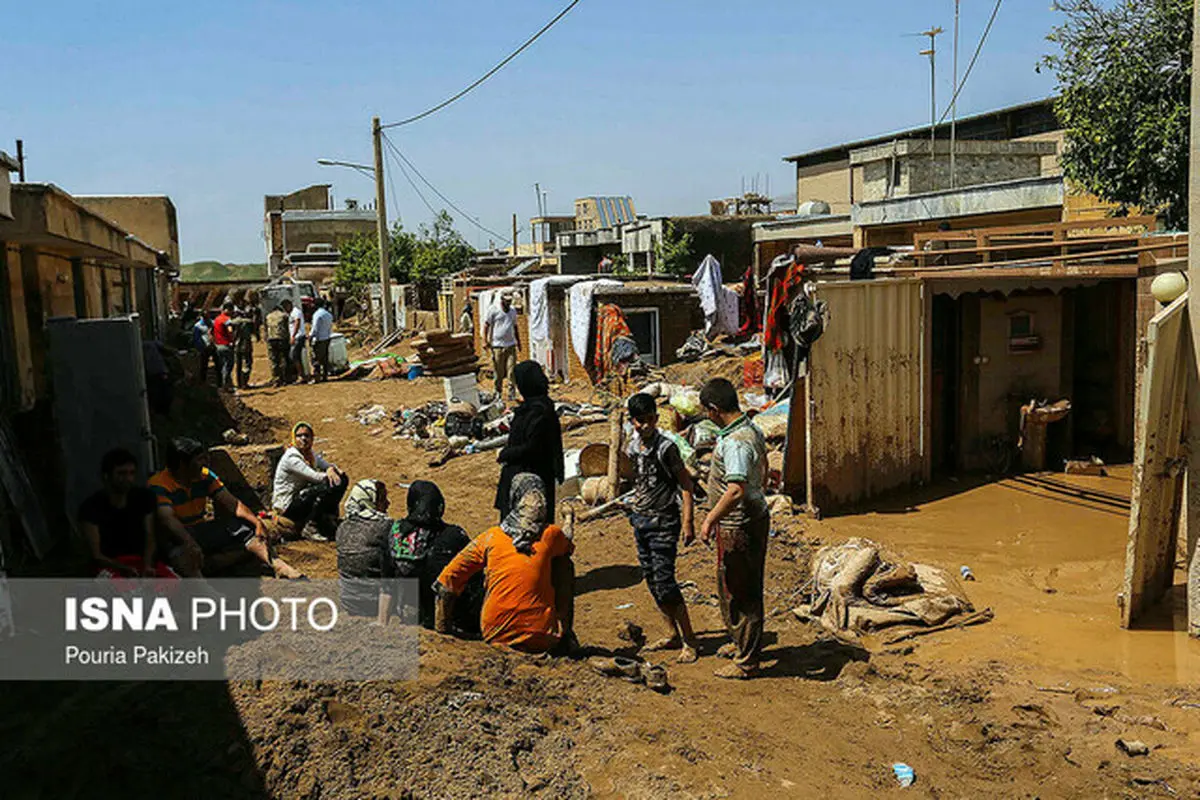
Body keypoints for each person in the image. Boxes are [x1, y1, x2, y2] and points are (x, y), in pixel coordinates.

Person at [435, 473, 577, 654]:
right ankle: (565, 636)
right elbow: (567, 540)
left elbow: (447, 582)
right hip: (542, 637)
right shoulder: (551, 535)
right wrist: (568, 518)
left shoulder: (491, 537)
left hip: (496, 634)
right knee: (564, 563)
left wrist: (443, 629)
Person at [149, 437, 303, 579]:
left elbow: (232, 503)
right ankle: (204, 588)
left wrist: (256, 522)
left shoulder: (204, 476)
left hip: (201, 530)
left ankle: (276, 565)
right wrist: (190, 543)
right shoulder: (159, 484)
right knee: (181, 552)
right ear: (183, 464)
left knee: (248, 527)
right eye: (199, 460)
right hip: (177, 536)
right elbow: (168, 520)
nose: (205, 463)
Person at [698, 378, 770, 680]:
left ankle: (747, 661)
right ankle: (740, 642)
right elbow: (764, 472)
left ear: (714, 410)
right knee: (730, 585)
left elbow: (736, 489)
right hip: (746, 519)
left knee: (742, 590)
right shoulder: (751, 429)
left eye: (706, 412)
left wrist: (710, 518)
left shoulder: (736, 442)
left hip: (740, 523)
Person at [625, 393, 700, 663]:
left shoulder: (666, 448)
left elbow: (686, 484)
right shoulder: (632, 447)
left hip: (664, 522)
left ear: (656, 419)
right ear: (631, 421)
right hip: (641, 519)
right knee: (652, 579)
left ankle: (690, 640)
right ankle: (671, 634)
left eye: (649, 420)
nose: (644, 426)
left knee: (666, 582)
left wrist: (688, 522)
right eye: (638, 421)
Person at [371, 480, 483, 633]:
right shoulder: (454, 535)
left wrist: (382, 621)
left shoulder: (395, 533)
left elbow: (387, 582)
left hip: (410, 615)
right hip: (451, 619)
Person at [78, 448, 176, 580]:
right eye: (121, 473)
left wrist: (147, 566)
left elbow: (150, 536)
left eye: (131, 473)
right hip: (112, 566)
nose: (128, 479)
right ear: (107, 476)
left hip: (141, 561)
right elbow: (97, 555)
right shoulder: (91, 507)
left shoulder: (144, 498)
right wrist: (125, 569)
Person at [496, 361, 563, 523]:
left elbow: (532, 448)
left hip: (529, 479)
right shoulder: (540, 407)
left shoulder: (537, 412)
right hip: (538, 475)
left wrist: (505, 453)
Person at [271, 422, 347, 542]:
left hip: (301, 498)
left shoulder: (310, 454)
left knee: (342, 479)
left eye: (307, 436)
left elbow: (328, 466)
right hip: (287, 504)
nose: (303, 439)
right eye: (299, 436)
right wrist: (330, 473)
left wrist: (330, 469)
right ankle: (311, 526)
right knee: (326, 484)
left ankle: (327, 518)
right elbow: (315, 477)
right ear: (294, 438)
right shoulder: (292, 458)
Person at [483, 292, 520, 401]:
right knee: (498, 372)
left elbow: (515, 327)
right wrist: (485, 341)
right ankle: (497, 391)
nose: (508, 303)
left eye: (510, 301)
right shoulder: (493, 310)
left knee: (511, 370)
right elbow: (486, 326)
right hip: (497, 346)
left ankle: (511, 392)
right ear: (502, 300)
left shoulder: (513, 311)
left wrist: (519, 342)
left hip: (510, 345)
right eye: (506, 301)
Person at [142, 338, 174, 415]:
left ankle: (159, 411)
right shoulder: (152, 343)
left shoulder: (139, 346)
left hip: (151, 373)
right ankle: (164, 412)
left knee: (156, 392)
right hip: (160, 371)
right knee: (165, 391)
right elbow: (168, 351)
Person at [265, 300, 291, 387]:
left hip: (271, 339)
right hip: (281, 339)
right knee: (283, 358)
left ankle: (276, 379)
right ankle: (285, 378)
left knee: (274, 360)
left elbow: (266, 329)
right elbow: (288, 328)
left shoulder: (268, 316)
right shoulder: (284, 315)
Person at [310, 299, 335, 382]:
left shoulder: (317, 314)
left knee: (316, 358)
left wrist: (310, 336)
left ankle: (317, 377)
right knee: (325, 358)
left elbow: (315, 328)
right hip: (327, 338)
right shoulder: (328, 314)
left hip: (319, 339)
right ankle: (325, 376)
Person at [232, 302, 255, 389]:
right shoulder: (248, 322)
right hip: (246, 346)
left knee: (238, 365)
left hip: (236, 346)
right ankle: (244, 382)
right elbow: (253, 331)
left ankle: (239, 383)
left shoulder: (232, 322)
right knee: (247, 364)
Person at [212, 302, 235, 389]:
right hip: (226, 345)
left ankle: (222, 383)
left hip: (218, 345)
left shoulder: (216, 319)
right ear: (227, 310)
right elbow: (230, 330)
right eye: (231, 310)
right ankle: (226, 384)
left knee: (222, 365)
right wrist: (232, 340)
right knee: (229, 365)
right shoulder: (227, 319)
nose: (232, 312)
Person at [191, 311, 215, 384]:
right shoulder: (198, 326)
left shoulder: (212, 323)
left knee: (218, 363)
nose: (207, 319)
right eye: (205, 318)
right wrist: (200, 348)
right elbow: (196, 339)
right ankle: (203, 380)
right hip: (204, 348)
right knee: (204, 364)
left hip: (214, 346)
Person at [289, 297, 309, 383]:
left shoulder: (296, 312)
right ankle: (300, 375)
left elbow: (297, 322)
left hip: (298, 337)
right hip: (297, 337)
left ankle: (302, 376)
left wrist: (293, 335)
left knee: (294, 356)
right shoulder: (292, 312)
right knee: (296, 356)